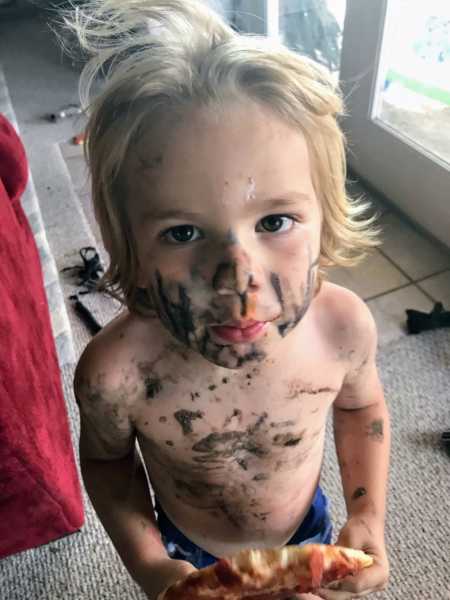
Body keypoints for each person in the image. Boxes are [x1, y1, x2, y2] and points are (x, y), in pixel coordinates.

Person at [71, 1, 390, 598]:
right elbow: (108, 464)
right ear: (130, 249)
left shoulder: (342, 329)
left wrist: (367, 515)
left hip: (309, 529)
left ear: (326, 219)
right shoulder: (116, 374)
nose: (236, 279)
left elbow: (359, 409)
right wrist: (150, 564)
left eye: (274, 221)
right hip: (188, 552)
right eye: (183, 233)